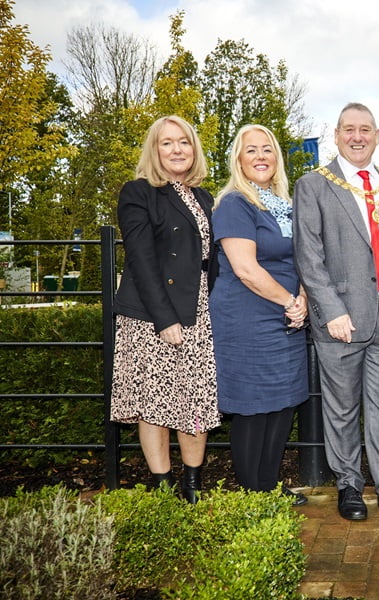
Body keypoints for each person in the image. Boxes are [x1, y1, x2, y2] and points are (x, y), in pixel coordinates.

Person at [292, 102, 379, 521]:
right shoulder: (314, 184)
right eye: (350, 129)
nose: (358, 136)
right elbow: (309, 257)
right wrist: (330, 311)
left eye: (366, 129)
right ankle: (348, 485)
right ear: (336, 135)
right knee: (343, 408)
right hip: (342, 320)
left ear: (378, 135)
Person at [111, 115, 219, 504]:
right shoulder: (138, 192)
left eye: (184, 142)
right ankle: (162, 488)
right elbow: (141, 260)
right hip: (151, 316)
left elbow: (212, 262)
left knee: (196, 401)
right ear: (154, 150)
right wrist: (165, 319)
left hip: (198, 311)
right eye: (167, 143)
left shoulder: (204, 197)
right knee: (152, 404)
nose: (177, 150)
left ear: (194, 149)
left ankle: (192, 485)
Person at [209, 124, 310, 505]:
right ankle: (253, 493)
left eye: (267, 149)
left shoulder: (283, 204)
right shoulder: (236, 203)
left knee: (283, 403)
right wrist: (290, 301)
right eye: (251, 151)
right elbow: (246, 269)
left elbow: (302, 258)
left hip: (286, 315)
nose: (261, 157)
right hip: (247, 319)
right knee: (253, 406)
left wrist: (300, 297)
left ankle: (269, 485)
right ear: (238, 159)